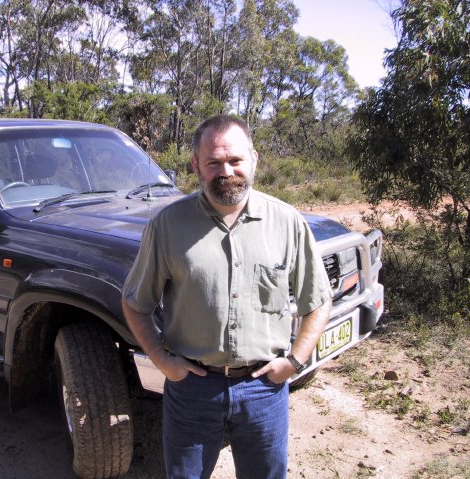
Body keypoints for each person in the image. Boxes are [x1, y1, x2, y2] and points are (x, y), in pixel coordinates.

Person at [121, 114, 333, 479]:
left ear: (253, 159)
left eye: (234, 160)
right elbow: (134, 303)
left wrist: (295, 362)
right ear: (196, 166)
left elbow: (318, 300)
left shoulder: (287, 222)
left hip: (264, 389)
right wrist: (163, 361)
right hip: (192, 390)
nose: (226, 171)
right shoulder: (167, 225)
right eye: (213, 162)